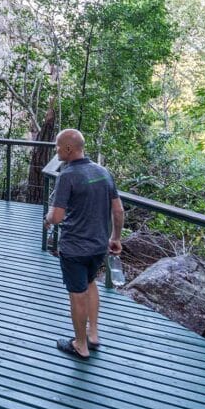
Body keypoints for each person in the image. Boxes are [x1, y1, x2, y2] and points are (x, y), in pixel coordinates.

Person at [43, 129, 124, 360]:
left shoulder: (67, 175)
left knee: (77, 293)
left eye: (58, 146)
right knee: (90, 284)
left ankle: (80, 345)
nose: (56, 150)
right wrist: (115, 238)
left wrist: (47, 219)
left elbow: (57, 217)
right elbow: (118, 210)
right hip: (99, 245)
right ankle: (93, 334)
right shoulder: (102, 172)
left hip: (74, 248)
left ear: (69, 148)